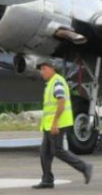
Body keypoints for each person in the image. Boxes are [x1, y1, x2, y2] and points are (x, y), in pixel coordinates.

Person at [33, 60, 93, 189]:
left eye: (44, 69)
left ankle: (84, 167)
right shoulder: (50, 83)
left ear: (52, 69)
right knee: (45, 152)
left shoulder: (58, 82)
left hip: (58, 124)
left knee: (58, 150)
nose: (41, 72)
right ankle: (47, 180)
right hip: (49, 124)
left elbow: (61, 101)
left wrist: (55, 122)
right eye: (41, 69)